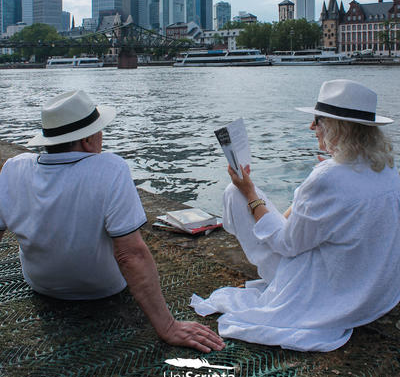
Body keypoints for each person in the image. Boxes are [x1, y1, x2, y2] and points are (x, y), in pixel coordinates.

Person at [0, 89, 224, 354]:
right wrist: (168, 326)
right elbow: (131, 256)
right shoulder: (109, 168)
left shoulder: (14, 168)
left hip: (41, 283)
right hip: (102, 287)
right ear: (87, 140)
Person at [191, 79, 400, 352]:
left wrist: (250, 192)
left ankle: (246, 209)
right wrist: (308, 189)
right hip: (375, 296)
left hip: (334, 296)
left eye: (317, 120)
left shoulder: (329, 177)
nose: (312, 127)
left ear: (337, 128)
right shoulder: (387, 171)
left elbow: (287, 244)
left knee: (234, 192)